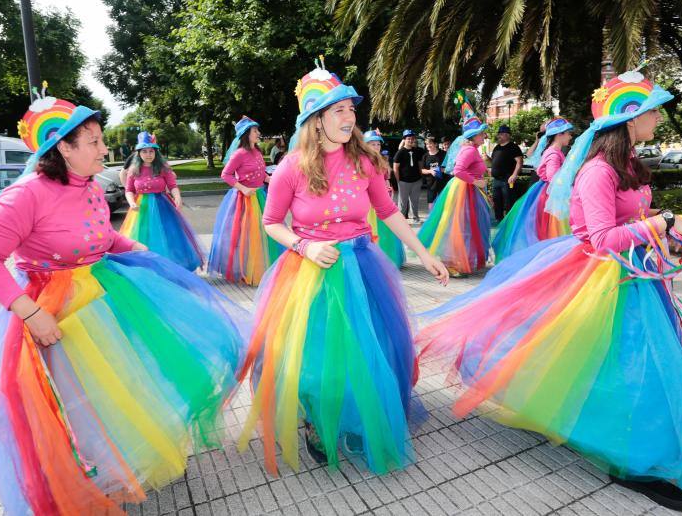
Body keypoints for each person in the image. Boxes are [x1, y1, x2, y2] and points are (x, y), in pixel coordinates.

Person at [416, 71, 682, 512]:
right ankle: (629, 458)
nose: (658, 115)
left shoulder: (629, 163)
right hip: (601, 281)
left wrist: (674, 221)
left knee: (635, 365)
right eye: (652, 109)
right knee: (620, 365)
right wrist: (663, 223)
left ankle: (635, 447)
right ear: (630, 118)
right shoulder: (597, 171)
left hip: (632, 280)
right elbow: (600, 239)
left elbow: (634, 213)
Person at [0, 99, 246, 515]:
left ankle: (125, 459)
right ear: (63, 148)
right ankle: (90, 472)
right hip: (56, 309)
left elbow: (103, 237)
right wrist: (29, 312)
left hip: (105, 294)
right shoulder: (23, 195)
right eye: (94, 142)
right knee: (81, 397)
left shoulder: (94, 186)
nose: (104, 150)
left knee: (132, 379)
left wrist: (137, 249)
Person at [237, 60, 448, 476]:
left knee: (371, 347)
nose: (349, 117)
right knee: (317, 355)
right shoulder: (292, 168)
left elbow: (387, 211)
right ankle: (317, 418)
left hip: (362, 267)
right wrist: (304, 246)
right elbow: (271, 222)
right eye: (338, 110)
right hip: (310, 273)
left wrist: (423, 253)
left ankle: (360, 410)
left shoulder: (364, 162)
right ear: (316, 121)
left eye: (351, 109)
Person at [418, 90, 491, 277]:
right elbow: (458, 170)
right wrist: (476, 182)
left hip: (468, 190)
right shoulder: (469, 150)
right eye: (482, 134)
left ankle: (460, 261)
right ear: (474, 136)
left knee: (465, 227)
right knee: (462, 227)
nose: (484, 136)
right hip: (464, 191)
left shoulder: (472, 149)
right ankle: (454, 263)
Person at [209, 116, 283, 285]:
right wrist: (243, 188)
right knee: (245, 236)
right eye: (255, 131)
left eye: (257, 130)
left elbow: (261, 173)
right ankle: (244, 270)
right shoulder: (239, 154)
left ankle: (262, 268)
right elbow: (225, 174)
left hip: (259, 197)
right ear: (246, 134)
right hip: (243, 199)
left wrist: (270, 179)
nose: (258, 133)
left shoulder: (257, 152)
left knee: (263, 233)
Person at [491, 117, 573, 262]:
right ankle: (547, 261)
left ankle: (547, 259)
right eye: (568, 133)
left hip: (545, 192)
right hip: (549, 195)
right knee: (550, 230)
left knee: (547, 229)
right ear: (559, 134)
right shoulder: (554, 153)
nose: (570, 136)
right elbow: (552, 177)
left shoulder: (553, 151)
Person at [120, 132, 204, 271]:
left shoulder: (163, 168)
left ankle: (171, 268)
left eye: (151, 151)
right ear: (139, 153)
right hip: (141, 209)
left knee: (169, 236)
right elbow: (129, 190)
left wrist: (177, 197)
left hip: (163, 206)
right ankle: (147, 269)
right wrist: (131, 202)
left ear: (156, 152)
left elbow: (172, 185)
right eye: (145, 151)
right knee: (143, 237)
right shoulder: (133, 170)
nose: (148, 154)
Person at [364, 129, 406, 268]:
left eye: (378, 144)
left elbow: (385, 179)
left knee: (385, 231)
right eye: (372, 144)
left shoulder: (380, 161)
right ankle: (374, 261)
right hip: (368, 205)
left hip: (382, 202)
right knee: (372, 231)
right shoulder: (361, 162)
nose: (376, 147)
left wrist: (388, 188)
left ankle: (388, 259)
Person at [489, 124, 524, 220]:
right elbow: (494, 161)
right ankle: (499, 220)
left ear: (508, 135)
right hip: (496, 180)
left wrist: (514, 175)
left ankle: (509, 221)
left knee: (509, 202)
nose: (499, 136)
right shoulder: (497, 147)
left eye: (501, 134)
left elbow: (519, 161)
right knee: (497, 202)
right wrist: (487, 159)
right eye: (498, 134)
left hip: (507, 179)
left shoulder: (513, 147)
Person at [393, 130, 424, 223]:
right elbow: (395, 168)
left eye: (412, 139)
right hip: (404, 181)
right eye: (408, 139)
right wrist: (399, 181)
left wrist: (421, 176)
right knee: (403, 202)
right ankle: (401, 220)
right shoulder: (400, 152)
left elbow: (420, 164)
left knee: (415, 201)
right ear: (404, 140)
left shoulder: (417, 151)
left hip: (416, 181)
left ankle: (415, 217)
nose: (410, 140)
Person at [420, 135, 449, 208]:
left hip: (443, 182)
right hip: (431, 183)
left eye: (430, 143)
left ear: (435, 144)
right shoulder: (425, 156)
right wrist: (430, 171)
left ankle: (442, 218)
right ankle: (432, 218)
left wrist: (441, 170)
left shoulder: (443, 154)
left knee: (443, 202)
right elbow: (422, 170)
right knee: (431, 203)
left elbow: (449, 167)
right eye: (427, 144)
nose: (428, 145)